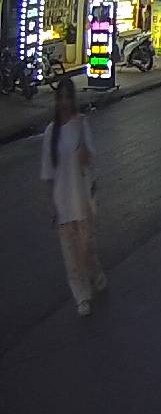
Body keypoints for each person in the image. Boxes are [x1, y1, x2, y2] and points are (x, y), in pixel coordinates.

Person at [40, 79, 106, 317]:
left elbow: (89, 159)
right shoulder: (51, 132)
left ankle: (95, 273)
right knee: (70, 254)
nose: (65, 102)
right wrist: (50, 204)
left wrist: (81, 139)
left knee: (86, 247)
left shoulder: (81, 124)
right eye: (61, 97)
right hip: (63, 201)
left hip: (82, 198)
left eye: (69, 97)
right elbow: (48, 171)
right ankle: (81, 295)